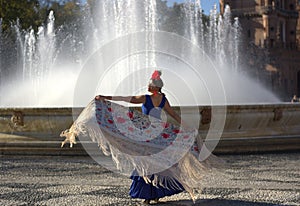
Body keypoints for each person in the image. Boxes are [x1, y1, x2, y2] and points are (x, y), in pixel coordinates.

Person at [95, 70, 185, 204]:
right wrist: (186, 125)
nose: (148, 87)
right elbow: (174, 115)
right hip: (158, 133)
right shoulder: (162, 99)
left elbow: (126, 98)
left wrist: (105, 97)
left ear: (155, 87)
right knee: (158, 162)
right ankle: (155, 195)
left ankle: (149, 196)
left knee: (146, 162)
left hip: (146, 134)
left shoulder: (146, 98)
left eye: (150, 85)